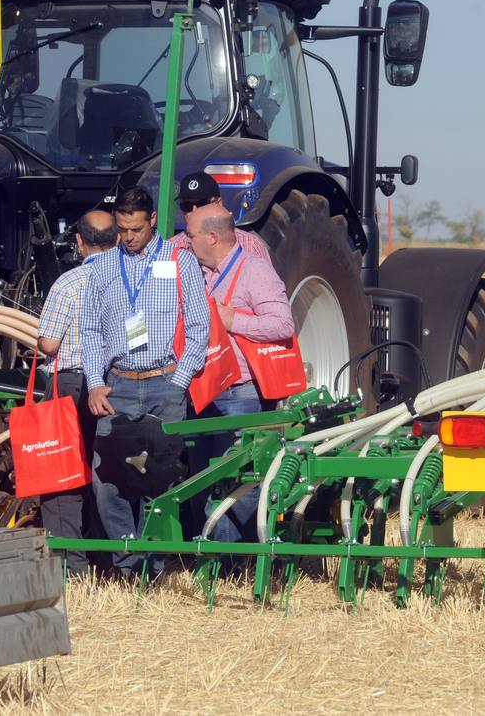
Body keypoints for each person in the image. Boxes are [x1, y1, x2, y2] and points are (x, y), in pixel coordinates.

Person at [79, 186, 210, 576]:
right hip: (116, 385)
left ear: (152, 220)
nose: (129, 237)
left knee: (160, 479)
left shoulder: (179, 261)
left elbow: (201, 327)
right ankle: (127, 565)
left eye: (136, 229)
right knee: (108, 480)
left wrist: (179, 382)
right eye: (122, 229)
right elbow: (89, 332)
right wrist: (94, 383)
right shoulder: (101, 268)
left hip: (163, 383)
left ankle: (156, 567)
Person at [184, 204, 295, 542]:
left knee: (241, 484)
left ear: (212, 237)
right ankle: (227, 564)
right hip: (203, 391)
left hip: (240, 393)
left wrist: (234, 321)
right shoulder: (200, 273)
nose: (186, 243)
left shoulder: (254, 271)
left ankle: (263, 555)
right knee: (208, 481)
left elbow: (282, 324)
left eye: (191, 236)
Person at [34, 210, 117, 576]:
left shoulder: (68, 283)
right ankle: (112, 560)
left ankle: (72, 567)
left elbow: (49, 345)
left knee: (63, 475)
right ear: (117, 239)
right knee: (109, 473)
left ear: (80, 242)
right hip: (115, 385)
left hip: (68, 385)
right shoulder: (125, 281)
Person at [169, 171, 267, 258]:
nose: (195, 211)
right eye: (187, 205)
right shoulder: (170, 250)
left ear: (218, 203)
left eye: (201, 204)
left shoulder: (249, 245)